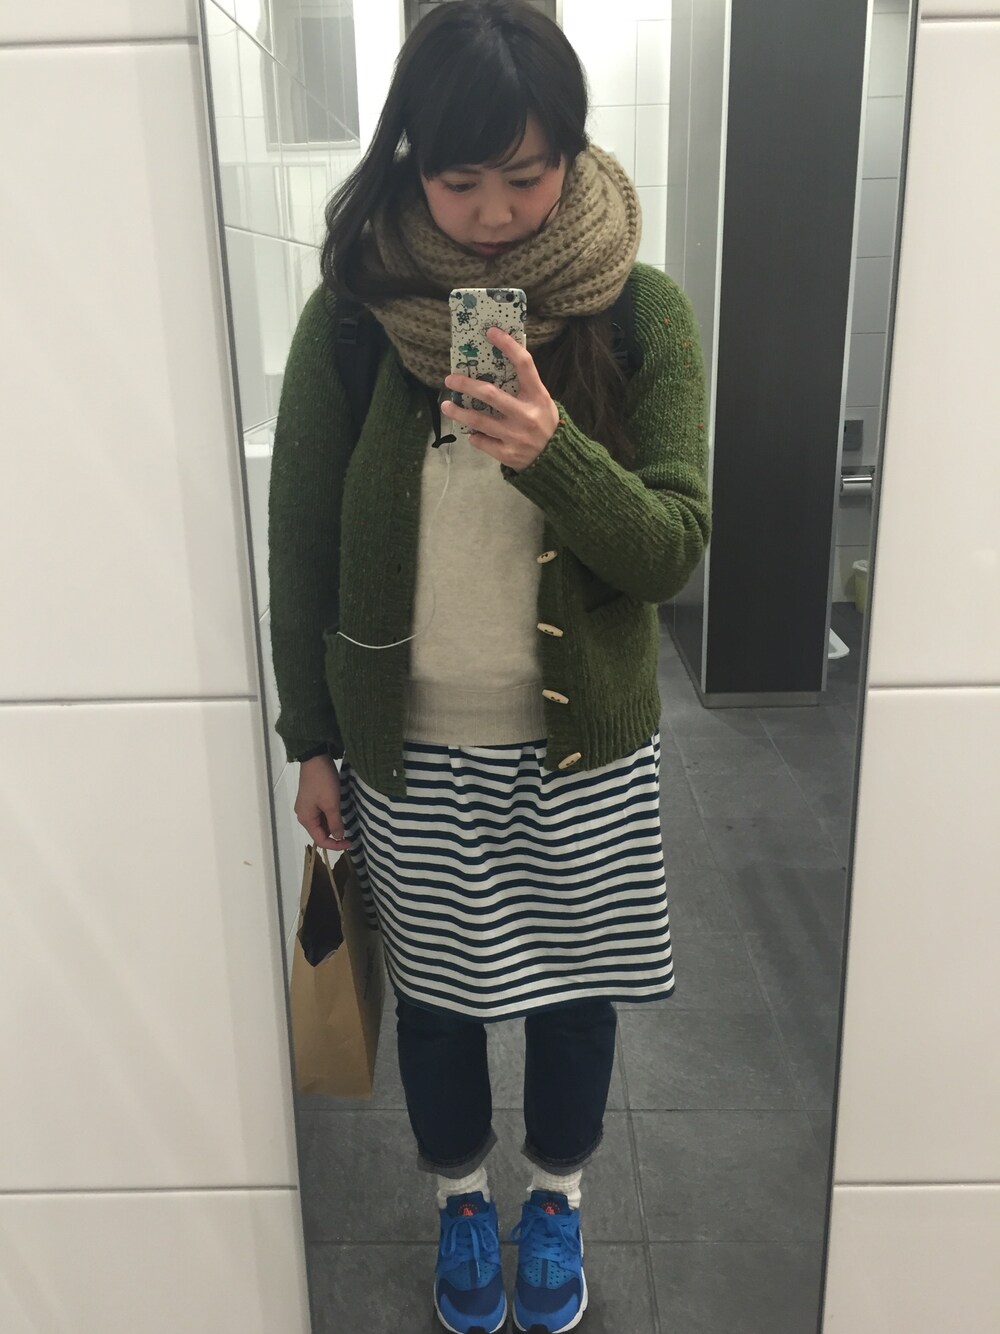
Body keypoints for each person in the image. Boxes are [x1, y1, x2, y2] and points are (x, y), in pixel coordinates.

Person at [268, 2, 711, 1330]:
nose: (494, 214)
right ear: (410, 162)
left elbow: (671, 548)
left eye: (527, 174)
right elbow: (300, 546)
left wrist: (552, 452)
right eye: (459, 180)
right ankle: (463, 1198)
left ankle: (556, 1197)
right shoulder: (352, 323)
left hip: (585, 746)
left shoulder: (641, 315)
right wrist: (311, 740)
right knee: (441, 1004)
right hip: (409, 745)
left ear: (573, 153)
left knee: (574, 999)